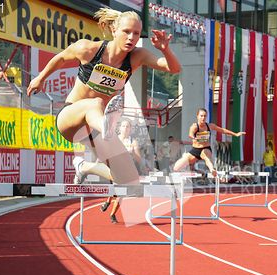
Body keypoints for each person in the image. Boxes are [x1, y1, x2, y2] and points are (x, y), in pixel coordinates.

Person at [27, 8, 181, 187]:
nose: (131, 38)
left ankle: (85, 167)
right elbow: (61, 58)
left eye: (136, 33)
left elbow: (174, 69)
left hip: (94, 131)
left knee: (128, 179)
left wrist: (166, 50)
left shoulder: (136, 57)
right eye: (126, 32)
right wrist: (40, 78)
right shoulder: (89, 49)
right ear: (114, 30)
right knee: (96, 103)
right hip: (71, 119)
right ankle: (106, 126)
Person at [173, 108, 245, 177]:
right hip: (195, 150)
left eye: (205, 116)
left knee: (206, 157)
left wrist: (235, 134)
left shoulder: (210, 126)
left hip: (205, 148)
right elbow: (190, 134)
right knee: (176, 168)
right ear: (197, 116)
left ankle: (212, 169)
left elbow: (222, 130)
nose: (203, 118)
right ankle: (195, 170)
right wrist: (195, 138)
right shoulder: (194, 126)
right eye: (201, 116)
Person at [100, 118, 142, 223]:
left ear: (130, 129)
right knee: (114, 190)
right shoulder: (114, 139)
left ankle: (112, 214)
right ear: (119, 128)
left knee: (121, 194)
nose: (125, 128)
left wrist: (133, 152)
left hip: (127, 171)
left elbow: (138, 159)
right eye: (123, 126)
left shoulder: (133, 142)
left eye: (128, 126)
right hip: (114, 169)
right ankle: (108, 201)